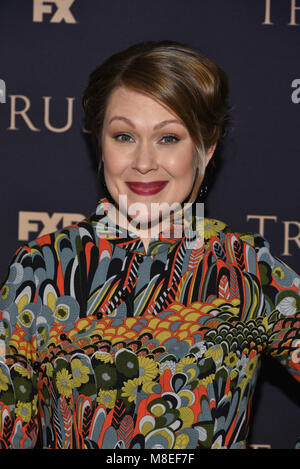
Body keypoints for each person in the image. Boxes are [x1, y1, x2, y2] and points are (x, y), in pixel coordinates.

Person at [0, 40, 299, 450]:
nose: (143, 161)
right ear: (100, 144)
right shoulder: (40, 268)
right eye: (124, 136)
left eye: (168, 138)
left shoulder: (244, 264)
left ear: (205, 149)